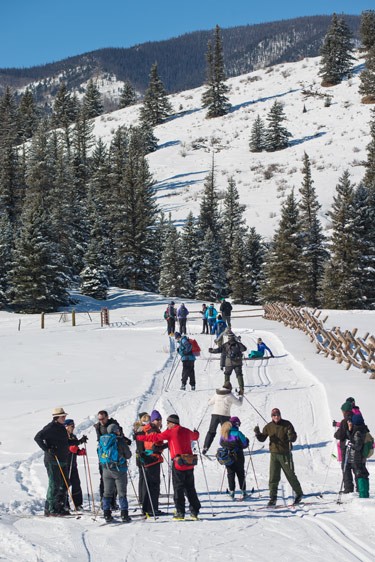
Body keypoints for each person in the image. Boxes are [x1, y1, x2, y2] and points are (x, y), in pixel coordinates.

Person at [136, 414, 201, 520]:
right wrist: (196, 432)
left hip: (178, 464)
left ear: (172, 423)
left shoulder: (171, 431)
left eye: (168, 423)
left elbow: (155, 437)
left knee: (178, 488)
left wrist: (140, 437)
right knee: (190, 488)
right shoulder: (186, 431)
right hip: (189, 464)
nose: (166, 425)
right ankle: (194, 512)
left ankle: (180, 512)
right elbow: (196, 437)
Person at [254, 407, 303, 506]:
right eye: (274, 415)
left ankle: (299, 493)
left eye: (278, 415)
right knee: (273, 476)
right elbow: (262, 438)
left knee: (290, 475)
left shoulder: (287, 424)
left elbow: (293, 437)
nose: (276, 417)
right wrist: (257, 433)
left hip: (285, 454)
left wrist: (291, 436)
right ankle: (273, 498)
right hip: (274, 454)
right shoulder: (268, 426)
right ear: (272, 416)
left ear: (280, 415)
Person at [34, 407, 70, 516]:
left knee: (65, 484)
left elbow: (65, 442)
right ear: (56, 418)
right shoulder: (50, 427)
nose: (64, 418)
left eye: (65, 416)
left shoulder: (62, 428)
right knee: (54, 484)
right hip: (53, 460)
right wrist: (47, 449)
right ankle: (50, 509)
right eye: (62, 416)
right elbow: (37, 438)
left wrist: (78, 442)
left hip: (63, 459)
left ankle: (60, 507)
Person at [134, 410, 168, 516]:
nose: (158, 421)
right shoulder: (153, 431)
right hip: (153, 459)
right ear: (152, 420)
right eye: (156, 419)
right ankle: (153, 509)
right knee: (154, 485)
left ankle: (146, 508)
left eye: (159, 419)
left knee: (147, 484)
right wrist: (166, 445)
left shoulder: (146, 429)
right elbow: (153, 446)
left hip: (146, 459)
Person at [98, 424, 132, 522]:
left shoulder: (102, 440)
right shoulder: (119, 440)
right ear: (115, 430)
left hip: (106, 469)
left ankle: (106, 514)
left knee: (107, 493)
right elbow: (128, 455)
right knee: (122, 493)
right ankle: (124, 515)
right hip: (119, 470)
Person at [94, 410, 128, 508]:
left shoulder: (113, 425)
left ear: (107, 417)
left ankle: (110, 503)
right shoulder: (98, 427)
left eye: (102, 419)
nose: (101, 421)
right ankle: (105, 502)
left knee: (113, 482)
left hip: (111, 459)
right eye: (99, 419)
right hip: (105, 459)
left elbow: (120, 436)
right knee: (105, 480)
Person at [202, 381, 243, 454]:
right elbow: (239, 404)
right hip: (225, 416)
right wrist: (240, 396)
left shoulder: (217, 394)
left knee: (211, 431)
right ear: (230, 388)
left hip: (215, 415)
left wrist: (209, 400)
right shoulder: (230, 395)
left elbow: (209, 403)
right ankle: (227, 448)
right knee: (226, 432)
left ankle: (205, 447)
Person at [219, 417, 249, 500]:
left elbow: (221, 443)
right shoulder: (238, 433)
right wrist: (247, 440)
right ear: (237, 424)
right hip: (238, 456)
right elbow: (245, 444)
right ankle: (243, 492)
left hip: (227, 457)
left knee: (230, 474)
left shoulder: (224, 433)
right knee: (240, 474)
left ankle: (232, 492)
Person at [342, 414, 370, 498]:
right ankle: (363, 493)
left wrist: (351, 444)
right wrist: (350, 431)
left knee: (360, 474)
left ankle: (363, 494)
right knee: (362, 473)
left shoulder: (358, 432)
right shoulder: (363, 429)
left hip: (356, 457)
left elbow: (357, 446)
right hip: (360, 456)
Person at [65, 419, 88, 510]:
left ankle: (77, 504)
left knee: (76, 484)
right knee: (65, 485)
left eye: (74, 426)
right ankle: (65, 504)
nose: (73, 428)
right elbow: (63, 448)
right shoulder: (63, 436)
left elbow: (75, 448)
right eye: (71, 426)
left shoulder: (73, 437)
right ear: (66, 426)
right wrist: (70, 449)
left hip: (73, 464)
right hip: (65, 464)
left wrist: (79, 452)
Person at [334, 401, 354, 470]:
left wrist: (336, 434)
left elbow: (340, 435)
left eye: (342, 411)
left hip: (346, 448)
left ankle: (340, 460)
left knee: (346, 470)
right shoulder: (356, 418)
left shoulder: (344, 421)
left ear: (344, 411)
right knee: (357, 470)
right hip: (356, 448)